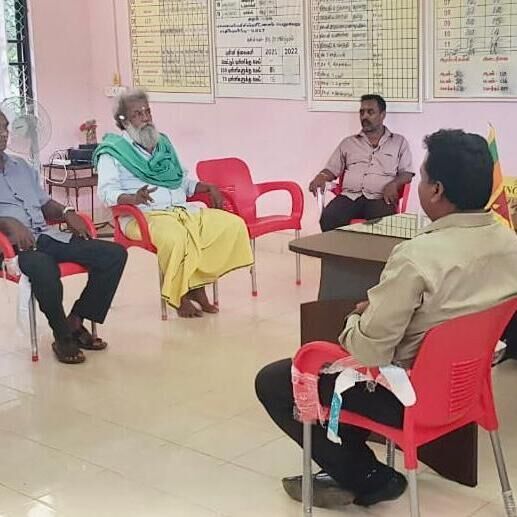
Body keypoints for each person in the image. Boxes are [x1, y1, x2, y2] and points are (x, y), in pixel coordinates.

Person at [256, 129, 517, 509]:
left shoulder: (417, 256)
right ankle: (349, 469)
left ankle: (368, 477)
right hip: (468, 391)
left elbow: (369, 351)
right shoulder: (510, 243)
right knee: (340, 376)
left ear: (436, 190)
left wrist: (356, 317)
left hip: (408, 397)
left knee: (279, 379)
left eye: (422, 177)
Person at [95, 89, 253, 318]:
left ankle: (197, 286)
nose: (146, 118)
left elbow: (182, 181)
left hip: (180, 210)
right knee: (176, 237)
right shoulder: (113, 152)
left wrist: (208, 187)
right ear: (124, 121)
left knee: (231, 225)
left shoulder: (163, 144)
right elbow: (106, 192)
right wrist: (132, 198)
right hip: (142, 215)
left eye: (147, 112)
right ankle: (179, 296)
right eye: (138, 114)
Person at [0, 109, 127, 364]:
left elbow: (45, 203)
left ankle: (76, 320)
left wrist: (67, 212)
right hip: (15, 249)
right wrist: (7, 223)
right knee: (44, 268)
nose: (4, 134)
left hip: (47, 236)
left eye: (5, 127)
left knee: (113, 254)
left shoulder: (21, 166)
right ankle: (62, 336)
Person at [309, 94, 414, 232]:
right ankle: (340, 247)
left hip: (380, 198)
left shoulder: (399, 142)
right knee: (329, 218)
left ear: (382, 115)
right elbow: (331, 169)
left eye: (370, 112)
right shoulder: (348, 143)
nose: (365, 116)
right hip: (350, 197)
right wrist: (321, 176)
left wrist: (394, 184)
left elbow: (407, 173)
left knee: (384, 226)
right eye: (362, 112)